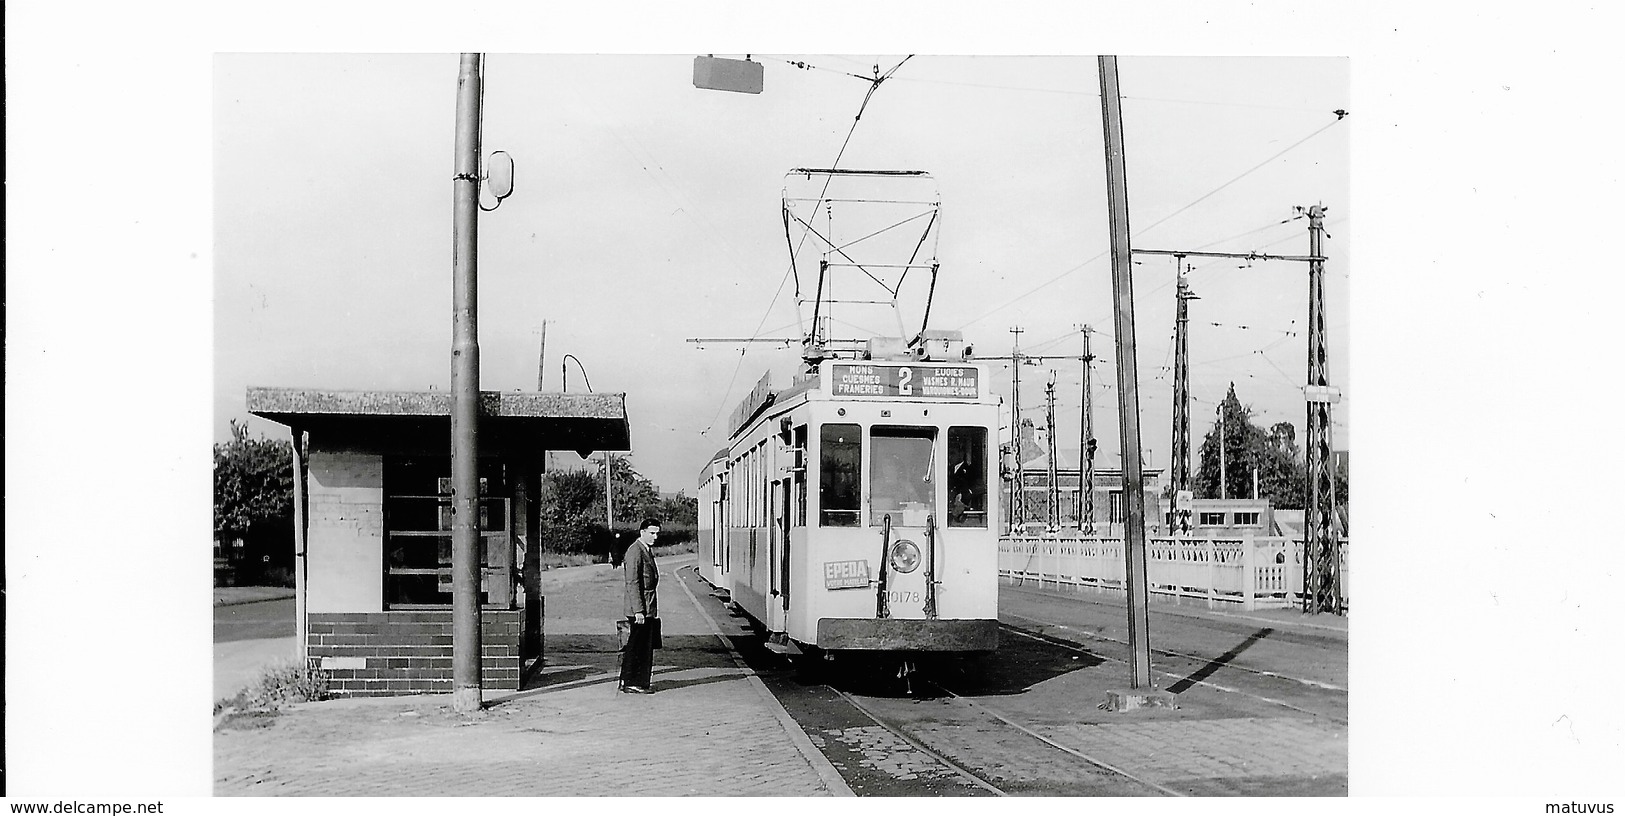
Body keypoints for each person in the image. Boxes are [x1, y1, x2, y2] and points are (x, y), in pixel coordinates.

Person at [618, 518, 661, 694]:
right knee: (640, 648)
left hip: (645, 607)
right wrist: (639, 611)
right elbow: (633, 582)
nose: (655, 537)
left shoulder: (644, 550)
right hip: (641, 609)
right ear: (642, 532)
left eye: (657, 533)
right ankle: (634, 682)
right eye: (652, 533)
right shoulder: (635, 551)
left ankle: (627, 680)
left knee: (639, 645)